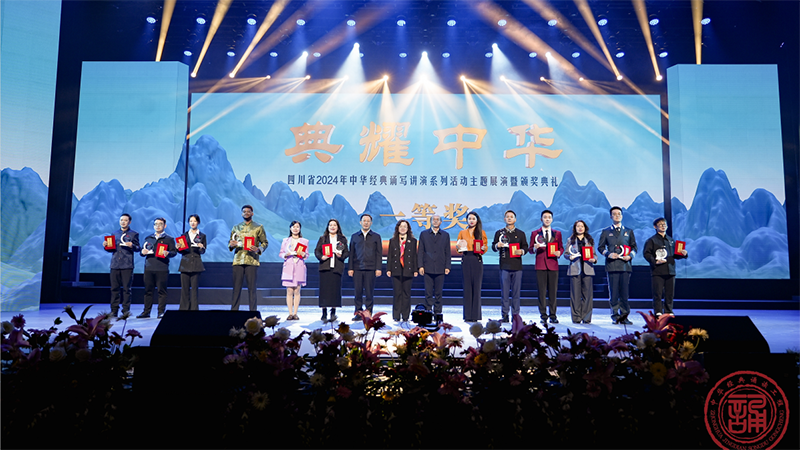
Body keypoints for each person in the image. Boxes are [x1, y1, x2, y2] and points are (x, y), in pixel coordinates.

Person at [597, 206, 637, 325]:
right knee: (614, 293)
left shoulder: (629, 231)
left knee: (624, 293)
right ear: (611, 217)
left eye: (619, 214)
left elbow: (634, 247)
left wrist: (630, 256)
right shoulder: (606, 231)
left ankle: (624, 316)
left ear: (622, 216)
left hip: (625, 265)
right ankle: (615, 316)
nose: (617, 216)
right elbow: (600, 247)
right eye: (614, 214)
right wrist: (608, 254)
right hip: (612, 265)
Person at [643, 217, 688, 317]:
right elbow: (647, 254)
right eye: (660, 224)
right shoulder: (651, 240)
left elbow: (675, 255)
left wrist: (683, 254)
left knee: (670, 293)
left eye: (664, 224)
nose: (663, 226)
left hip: (670, 270)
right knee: (657, 293)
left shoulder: (671, 240)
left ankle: (668, 311)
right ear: (655, 227)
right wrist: (655, 261)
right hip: (658, 270)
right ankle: (658, 311)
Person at [228, 205, 269, 311]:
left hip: (252, 260)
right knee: (236, 288)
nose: (246, 213)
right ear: (242, 214)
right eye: (244, 211)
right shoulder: (236, 227)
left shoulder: (258, 227)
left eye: (248, 211)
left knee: (252, 289)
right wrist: (231, 244)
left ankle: (253, 313)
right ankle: (233, 312)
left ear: (252, 213)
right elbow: (230, 242)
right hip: (238, 260)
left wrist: (258, 249)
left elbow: (265, 243)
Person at [491, 210, 528, 322]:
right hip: (504, 266)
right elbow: (493, 247)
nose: (509, 218)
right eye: (507, 217)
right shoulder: (499, 233)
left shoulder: (521, 233)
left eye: (511, 217)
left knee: (516, 293)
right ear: (504, 219)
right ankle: (505, 315)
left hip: (517, 266)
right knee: (505, 293)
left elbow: (525, 247)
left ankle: (516, 316)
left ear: (515, 219)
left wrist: (521, 251)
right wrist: (497, 245)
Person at [137, 217, 177, 319]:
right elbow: (142, 251)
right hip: (149, 267)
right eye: (156, 224)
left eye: (160, 224)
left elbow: (174, 252)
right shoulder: (148, 238)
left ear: (165, 226)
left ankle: (161, 312)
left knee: (162, 291)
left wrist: (168, 253)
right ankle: (146, 312)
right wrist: (142, 252)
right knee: (148, 291)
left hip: (162, 268)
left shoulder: (169, 239)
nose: (158, 226)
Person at [529, 209, 563, 326]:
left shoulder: (557, 233)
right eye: (545, 217)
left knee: (553, 292)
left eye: (549, 217)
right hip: (540, 265)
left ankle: (553, 316)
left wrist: (559, 252)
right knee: (541, 292)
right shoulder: (535, 233)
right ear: (541, 219)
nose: (547, 219)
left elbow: (561, 247)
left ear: (552, 219)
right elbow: (530, 249)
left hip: (553, 265)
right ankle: (543, 316)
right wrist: (535, 248)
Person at [105, 213, 140, 318]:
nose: (123, 222)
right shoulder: (114, 233)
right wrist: (106, 246)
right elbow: (111, 249)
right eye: (121, 220)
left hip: (127, 265)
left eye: (125, 220)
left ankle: (125, 311)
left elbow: (138, 248)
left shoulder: (134, 234)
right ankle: (114, 310)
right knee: (114, 289)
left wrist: (132, 245)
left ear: (129, 222)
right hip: (115, 264)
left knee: (126, 289)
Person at [348, 214, 382, 320]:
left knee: (369, 293)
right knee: (357, 292)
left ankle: (368, 313)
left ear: (371, 223)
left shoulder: (376, 236)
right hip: (357, 268)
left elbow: (379, 253)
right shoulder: (354, 236)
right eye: (364, 221)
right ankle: (358, 313)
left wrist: (378, 268)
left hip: (371, 268)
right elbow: (351, 253)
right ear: (360, 222)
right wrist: (350, 268)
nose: (366, 223)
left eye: (368, 221)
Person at [417, 214, 451, 317]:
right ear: (431, 221)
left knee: (438, 293)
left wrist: (447, 266)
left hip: (440, 268)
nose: (435, 221)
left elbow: (447, 252)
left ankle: (437, 314)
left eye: (437, 220)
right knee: (428, 293)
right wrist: (420, 266)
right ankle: (428, 313)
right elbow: (420, 251)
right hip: (427, 268)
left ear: (440, 222)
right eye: (433, 219)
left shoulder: (445, 235)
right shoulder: (424, 234)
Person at [315, 219, 349, 322]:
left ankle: (333, 312)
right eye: (330, 225)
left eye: (334, 225)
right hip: (325, 267)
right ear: (328, 227)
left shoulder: (342, 239)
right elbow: (317, 251)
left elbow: (347, 252)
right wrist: (322, 257)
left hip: (337, 267)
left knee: (335, 291)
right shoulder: (323, 238)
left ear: (338, 227)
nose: (332, 227)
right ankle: (324, 312)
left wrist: (341, 256)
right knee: (324, 291)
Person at [563, 220, 597, 324]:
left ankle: (586, 318)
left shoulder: (589, 240)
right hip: (575, 269)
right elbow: (566, 254)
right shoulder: (570, 240)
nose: (580, 228)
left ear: (585, 228)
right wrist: (570, 257)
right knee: (575, 295)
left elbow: (594, 254)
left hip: (587, 269)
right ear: (575, 228)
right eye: (578, 226)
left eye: (582, 226)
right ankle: (576, 318)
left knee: (587, 296)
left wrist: (594, 259)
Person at [457, 211, 487, 322]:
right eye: (469, 219)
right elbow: (458, 248)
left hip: (477, 259)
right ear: (467, 221)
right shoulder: (462, 232)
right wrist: (459, 247)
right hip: (466, 258)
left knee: (476, 288)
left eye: (473, 219)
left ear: (477, 220)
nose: (471, 221)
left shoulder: (481, 232)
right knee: (467, 288)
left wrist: (483, 248)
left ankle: (476, 316)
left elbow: (485, 246)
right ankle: (467, 315)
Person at [386, 220, 418, 324]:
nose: (403, 228)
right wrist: (388, 269)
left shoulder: (413, 241)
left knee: (406, 293)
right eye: (401, 226)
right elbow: (390, 256)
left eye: (405, 226)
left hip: (408, 270)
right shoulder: (393, 241)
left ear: (408, 229)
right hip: (396, 269)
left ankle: (405, 316)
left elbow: (414, 256)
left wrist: (415, 269)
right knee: (397, 293)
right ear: (398, 228)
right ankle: (396, 315)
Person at [280, 221, 309, 321]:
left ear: (300, 229)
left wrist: (304, 255)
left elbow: (307, 255)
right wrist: (285, 255)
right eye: (293, 227)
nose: (295, 228)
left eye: (297, 227)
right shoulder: (285, 241)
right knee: (289, 290)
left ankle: (295, 313)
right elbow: (281, 253)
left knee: (297, 290)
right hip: (288, 267)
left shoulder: (304, 241)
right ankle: (290, 313)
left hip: (299, 266)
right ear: (290, 228)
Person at [177, 214, 206, 311]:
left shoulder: (202, 236)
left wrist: (201, 247)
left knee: (194, 289)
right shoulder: (184, 235)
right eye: (191, 221)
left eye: (194, 221)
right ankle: (183, 309)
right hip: (185, 263)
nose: (192, 223)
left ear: (198, 222)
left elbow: (203, 251)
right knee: (184, 289)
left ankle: (194, 310)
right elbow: (181, 251)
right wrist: (178, 248)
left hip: (196, 264)